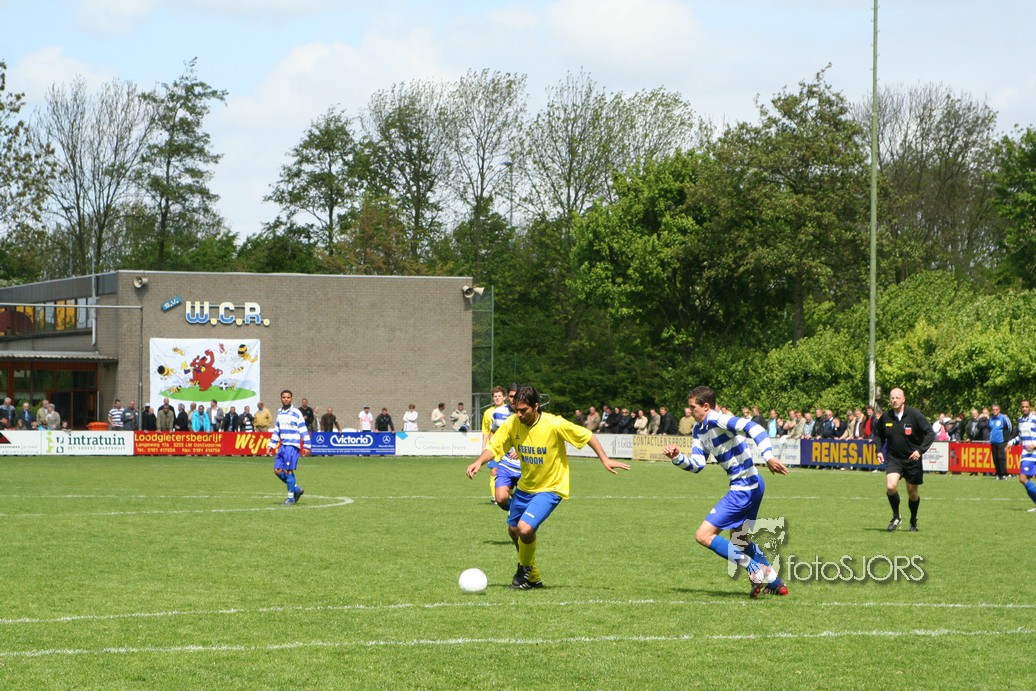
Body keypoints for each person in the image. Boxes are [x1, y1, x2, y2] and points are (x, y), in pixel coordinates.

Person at [467, 385, 630, 589]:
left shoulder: (554, 423)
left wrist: (604, 459)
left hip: (551, 487)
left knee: (525, 528)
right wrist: (479, 461)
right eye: (516, 410)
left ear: (536, 406)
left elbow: (587, 435)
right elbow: (494, 446)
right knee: (513, 530)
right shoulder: (513, 423)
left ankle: (523, 570)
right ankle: (532, 576)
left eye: (524, 410)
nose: (519, 414)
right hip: (526, 487)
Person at [661, 385, 790, 598]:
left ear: (706, 406)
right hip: (754, 484)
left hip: (743, 488)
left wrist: (768, 456)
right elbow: (697, 465)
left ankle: (754, 569)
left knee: (703, 535)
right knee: (740, 540)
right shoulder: (699, 430)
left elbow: (755, 428)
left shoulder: (718, 419)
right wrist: (677, 457)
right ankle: (776, 583)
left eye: (693, 407)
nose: (690, 411)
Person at [873, 387, 935, 532]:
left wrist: (920, 450)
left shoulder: (914, 414)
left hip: (912, 460)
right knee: (890, 486)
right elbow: (878, 435)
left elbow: (930, 433)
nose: (894, 400)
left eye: (897, 398)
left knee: (912, 493)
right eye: (892, 398)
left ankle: (913, 520)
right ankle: (896, 516)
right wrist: (879, 450)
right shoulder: (886, 416)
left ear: (903, 399)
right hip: (894, 458)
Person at [267, 389, 311, 505]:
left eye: (288, 397)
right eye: (284, 397)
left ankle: (291, 499)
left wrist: (307, 445)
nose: (286, 399)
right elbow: (277, 430)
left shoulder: (296, 412)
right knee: (277, 470)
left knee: (288, 470)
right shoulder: (279, 412)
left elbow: (303, 429)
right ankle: (296, 489)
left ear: (291, 399)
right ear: (281, 399)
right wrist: (271, 445)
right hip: (283, 445)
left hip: (292, 445)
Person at [481, 386, 521, 508]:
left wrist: (520, 450)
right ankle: (496, 498)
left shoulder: (525, 412)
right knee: (494, 471)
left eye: (499, 396)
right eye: (495, 396)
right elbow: (490, 431)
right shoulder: (493, 413)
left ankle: (516, 499)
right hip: (501, 453)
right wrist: (487, 447)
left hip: (522, 456)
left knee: (522, 487)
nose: (497, 398)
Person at [1009, 399, 1036, 511]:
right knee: (1024, 479)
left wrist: (1034, 444)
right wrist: (1011, 442)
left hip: (1033, 453)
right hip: (1026, 454)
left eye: (1026, 406)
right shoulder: (1020, 420)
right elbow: (1020, 437)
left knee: (1022, 478)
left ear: (1030, 407)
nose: (1024, 408)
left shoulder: (1034, 418)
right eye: (1023, 407)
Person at [988, 403, 1013, 480]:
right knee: (995, 458)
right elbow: (990, 429)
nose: (995, 411)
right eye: (993, 410)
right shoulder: (991, 419)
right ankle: (998, 474)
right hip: (993, 441)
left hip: (1001, 441)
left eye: (996, 409)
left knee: (1001, 458)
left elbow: (1010, 428)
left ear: (999, 410)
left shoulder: (1003, 418)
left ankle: (1004, 474)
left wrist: (1006, 438)